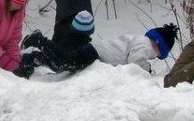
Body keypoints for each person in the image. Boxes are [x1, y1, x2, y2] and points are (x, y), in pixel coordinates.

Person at [21, 12, 179, 75]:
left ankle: (35, 58)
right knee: (66, 62)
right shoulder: (145, 45)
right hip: (96, 52)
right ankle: (39, 40)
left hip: (97, 51)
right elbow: (135, 62)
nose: (156, 57)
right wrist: (147, 70)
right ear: (159, 47)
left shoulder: (139, 40)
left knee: (62, 64)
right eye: (160, 55)